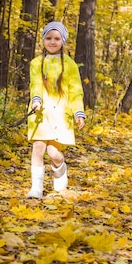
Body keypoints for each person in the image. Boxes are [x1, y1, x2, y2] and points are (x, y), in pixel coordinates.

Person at [26, 21, 85, 198]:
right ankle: (36, 188)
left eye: (57, 38)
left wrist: (78, 112)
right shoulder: (36, 63)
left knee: (53, 152)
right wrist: (36, 100)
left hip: (60, 114)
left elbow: (75, 91)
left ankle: (60, 168)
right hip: (40, 113)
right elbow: (35, 84)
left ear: (63, 41)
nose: (52, 42)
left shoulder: (70, 65)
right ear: (43, 40)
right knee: (38, 148)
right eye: (49, 38)